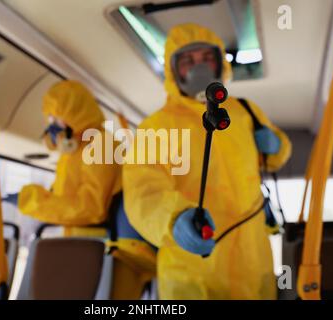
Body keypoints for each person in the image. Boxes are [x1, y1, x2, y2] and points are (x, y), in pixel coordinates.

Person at [123, 23, 291, 299]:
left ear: (219, 63)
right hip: (192, 271)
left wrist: (277, 145)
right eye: (188, 60)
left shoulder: (245, 111)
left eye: (206, 58)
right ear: (173, 70)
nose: (198, 67)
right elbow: (143, 191)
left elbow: (274, 158)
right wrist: (173, 219)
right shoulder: (155, 127)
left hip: (253, 262)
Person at [5, 80, 155, 299]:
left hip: (113, 253)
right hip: (88, 247)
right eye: (50, 118)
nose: (52, 124)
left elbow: (91, 208)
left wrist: (31, 201)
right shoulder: (74, 152)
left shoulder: (101, 144)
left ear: (76, 114)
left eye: (57, 117)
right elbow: (65, 201)